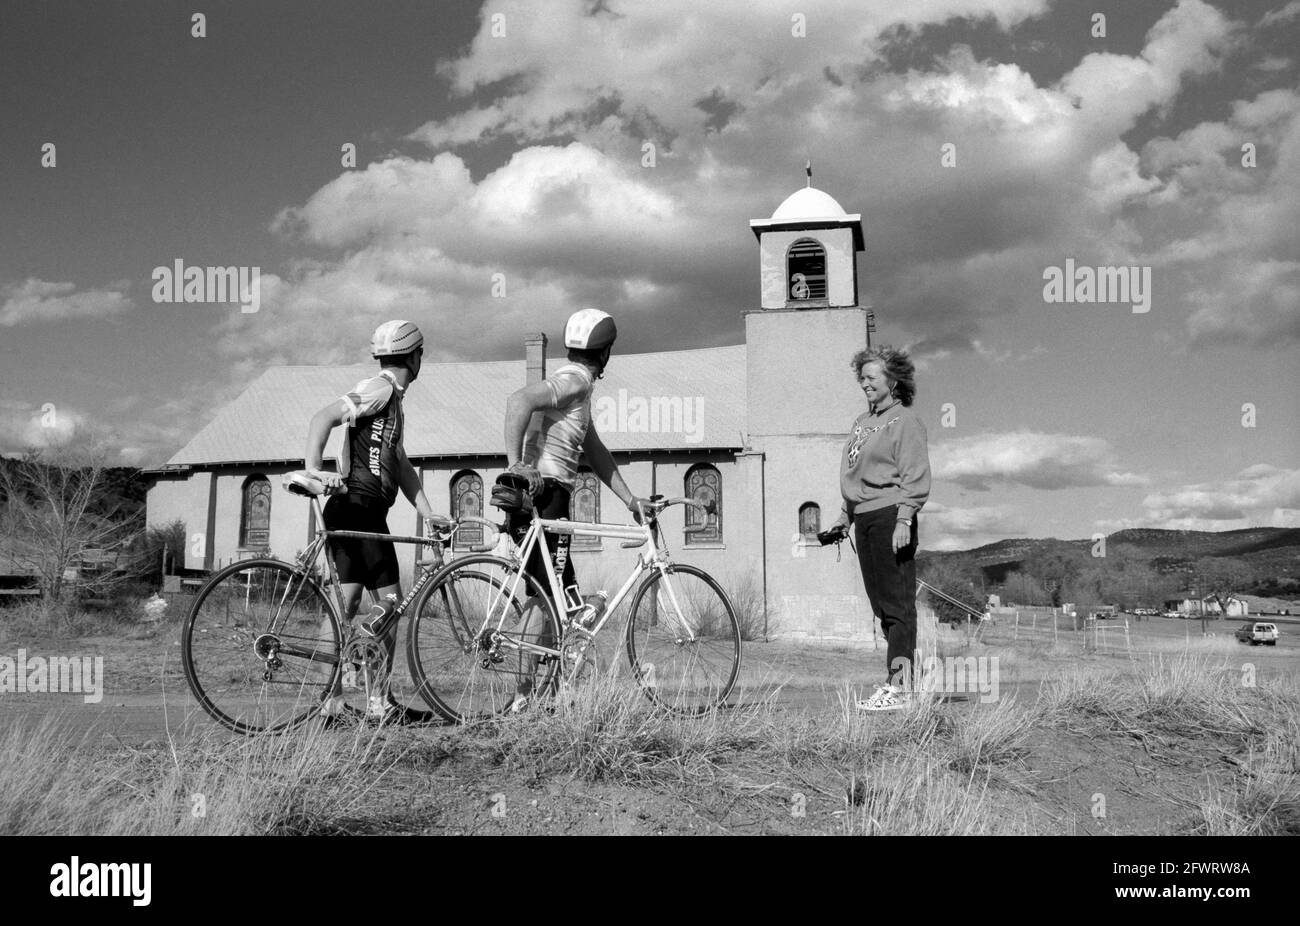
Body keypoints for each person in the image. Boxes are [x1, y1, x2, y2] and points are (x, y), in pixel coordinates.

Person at [498, 308, 649, 711]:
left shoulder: (578, 394)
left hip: (543, 496)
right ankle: (522, 697)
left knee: (551, 597)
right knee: (549, 596)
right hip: (546, 495)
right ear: (606, 353)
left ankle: (536, 694)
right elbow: (520, 400)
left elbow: (595, 452)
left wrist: (630, 500)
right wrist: (516, 464)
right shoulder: (575, 381)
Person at [304, 319, 439, 725]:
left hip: (355, 510)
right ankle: (380, 704)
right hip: (360, 509)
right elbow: (322, 418)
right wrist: (312, 470)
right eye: (420, 355)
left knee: (341, 609)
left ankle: (332, 707)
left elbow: (398, 463)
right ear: (413, 356)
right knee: (392, 604)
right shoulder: (380, 389)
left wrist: (428, 512)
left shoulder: (391, 404)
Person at [824, 345, 931, 711]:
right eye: (862, 378)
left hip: (891, 516)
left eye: (871, 377)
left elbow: (913, 475)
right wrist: (844, 517)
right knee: (881, 606)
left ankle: (900, 687)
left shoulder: (904, 421)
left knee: (898, 604)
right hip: (864, 519)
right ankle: (900, 679)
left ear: (893, 380)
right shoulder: (861, 423)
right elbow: (857, 477)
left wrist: (905, 517)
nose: (864, 383)